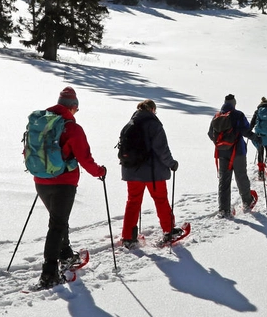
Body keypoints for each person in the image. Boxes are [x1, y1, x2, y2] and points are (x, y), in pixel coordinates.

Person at [34, 87, 107, 289]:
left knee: (59, 220)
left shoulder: (42, 124)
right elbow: (85, 158)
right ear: (73, 107)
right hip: (63, 183)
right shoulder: (72, 128)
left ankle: (66, 255)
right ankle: (49, 273)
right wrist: (99, 171)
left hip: (41, 180)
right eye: (76, 109)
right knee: (57, 225)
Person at [119, 99, 182, 249]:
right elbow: (162, 150)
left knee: (133, 202)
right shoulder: (154, 125)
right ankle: (168, 230)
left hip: (131, 171)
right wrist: (171, 163)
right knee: (160, 200)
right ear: (152, 110)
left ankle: (128, 236)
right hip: (153, 173)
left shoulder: (128, 125)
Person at [208, 94, 257, 218]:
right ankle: (247, 201)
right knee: (241, 176)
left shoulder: (217, 116)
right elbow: (246, 131)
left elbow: (210, 133)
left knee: (224, 181)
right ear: (234, 103)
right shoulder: (238, 114)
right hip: (238, 151)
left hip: (222, 153)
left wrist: (221, 144)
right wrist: (256, 138)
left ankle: (224, 210)